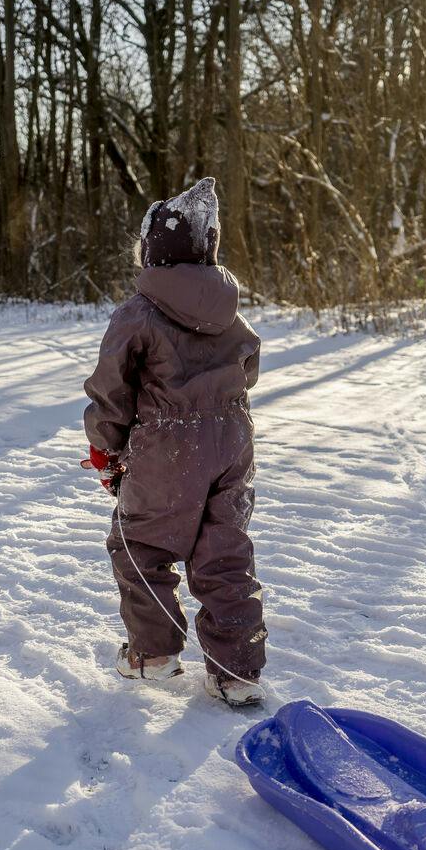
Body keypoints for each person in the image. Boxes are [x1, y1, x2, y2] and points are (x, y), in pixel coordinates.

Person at [81, 177, 267, 707]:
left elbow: (111, 391)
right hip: (232, 441)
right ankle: (237, 671)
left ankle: (154, 653)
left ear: (152, 252)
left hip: (169, 445)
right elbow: (249, 362)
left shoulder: (138, 312)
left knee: (140, 544)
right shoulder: (229, 311)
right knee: (225, 552)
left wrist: (106, 449)